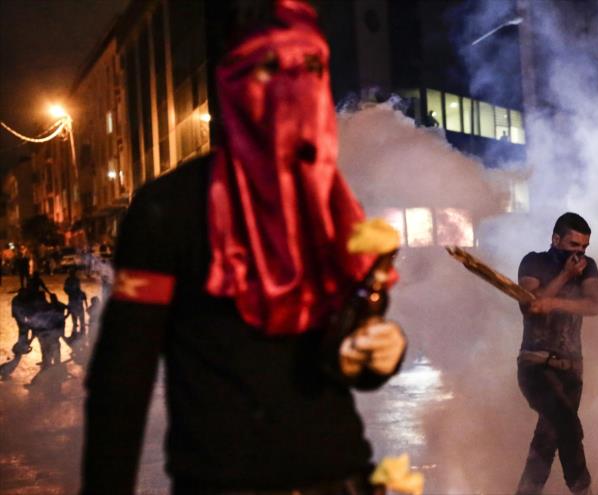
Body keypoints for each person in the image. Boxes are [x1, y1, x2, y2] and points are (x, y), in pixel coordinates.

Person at [81, 2, 407, 494]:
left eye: (311, 67)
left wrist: (378, 354)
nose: (293, 86)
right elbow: (123, 379)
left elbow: (340, 359)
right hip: (227, 482)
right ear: (235, 82)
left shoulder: (335, 206)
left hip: (342, 477)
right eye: (271, 67)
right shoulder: (168, 207)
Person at [515, 212, 598, 495]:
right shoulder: (533, 262)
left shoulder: (587, 268)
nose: (579, 254)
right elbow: (530, 308)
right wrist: (564, 276)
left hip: (571, 370)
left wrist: (552, 301)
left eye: (584, 247)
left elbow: (593, 305)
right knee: (568, 427)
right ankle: (583, 490)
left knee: (547, 440)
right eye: (573, 245)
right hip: (535, 366)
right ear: (556, 239)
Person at [64, 269, 87, 337]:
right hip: (74, 298)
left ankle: (77, 324)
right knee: (77, 312)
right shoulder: (72, 280)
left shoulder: (70, 280)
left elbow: (65, 289)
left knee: (75, 311)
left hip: (73, 298)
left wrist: (70, 293)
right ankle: (78, 324)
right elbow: (66, 289)